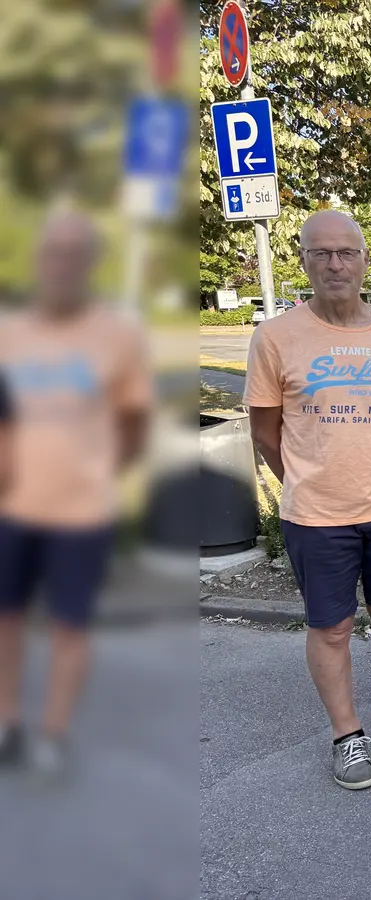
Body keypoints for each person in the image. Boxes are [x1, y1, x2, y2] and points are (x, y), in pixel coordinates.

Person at [245, 210, 371, 790]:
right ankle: (346, 735)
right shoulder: (274, 337)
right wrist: (307, 479)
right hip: (316, 516)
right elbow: (264, 432)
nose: (335, 264)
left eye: (346, 252)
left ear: (364, 260)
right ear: (302, 259)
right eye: (321, 253)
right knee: (331, 627)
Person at [0, 210, 150, 778]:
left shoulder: (117, 334)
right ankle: (8, 721)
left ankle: (53, 734)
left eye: (73, 254)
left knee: (69, 625)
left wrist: (99, 470)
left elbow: (134, 419)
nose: (60, 264)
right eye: (51, 253)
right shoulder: (9, 333)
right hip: (10, 509)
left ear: (91, 264)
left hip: (82, 514)